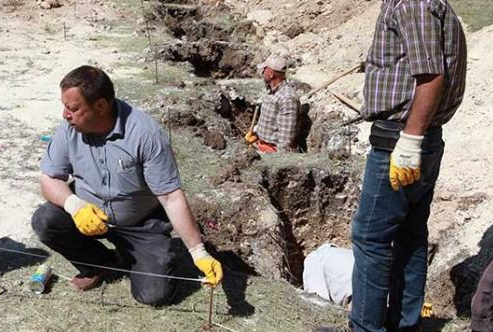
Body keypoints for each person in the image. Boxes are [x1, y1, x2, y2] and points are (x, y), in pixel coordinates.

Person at [312, 0, 467, 332]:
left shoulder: (411, 3)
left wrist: (409, 142)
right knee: (411, 234)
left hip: (401, 140)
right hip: (423, 138)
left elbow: (430, 77)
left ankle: (365, 330)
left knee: (370, 237)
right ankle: (404, 324)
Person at [31, 66, 223, 305]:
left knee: (155, 295)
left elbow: (171, 197)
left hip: (140, 224)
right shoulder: (70, 130)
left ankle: (145, 258)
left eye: (73, 108)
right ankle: (101, 262)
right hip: (89, 215)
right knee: (45, 220)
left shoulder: (145, 134)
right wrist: (75, 205)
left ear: (100, 106)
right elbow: (49, 179)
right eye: (65, 107)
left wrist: (198, 252)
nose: (65, 115)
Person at [246, 55, 299, 153]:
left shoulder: (286, 98)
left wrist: (278, 159)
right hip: (262, 144)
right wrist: (257, 131)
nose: (262, 72)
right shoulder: (271, 91)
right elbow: (271, 120)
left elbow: (285, 137)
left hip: (272, 150)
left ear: (271, 74)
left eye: (264, 70)